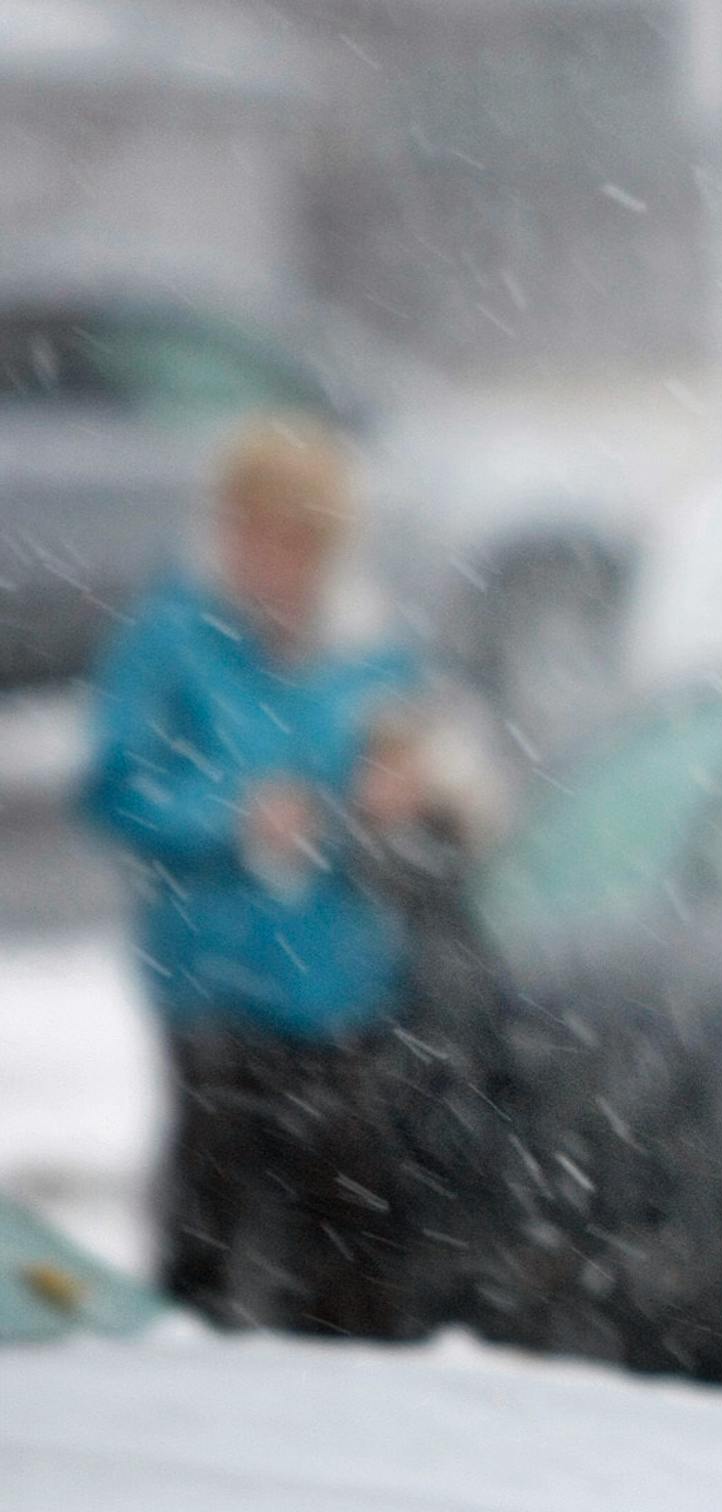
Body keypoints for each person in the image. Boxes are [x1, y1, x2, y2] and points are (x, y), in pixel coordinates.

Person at [81, 414, 425, 1336]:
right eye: (257, 533)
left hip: (340, 978)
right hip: (215, 978)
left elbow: (410, 763)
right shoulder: (171, 639)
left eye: (299, 539)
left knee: (348, 1238)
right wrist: (230, 817)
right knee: (212, 1220)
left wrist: (393, 801)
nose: (276, 561)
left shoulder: (370, 647)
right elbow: (116, 785)